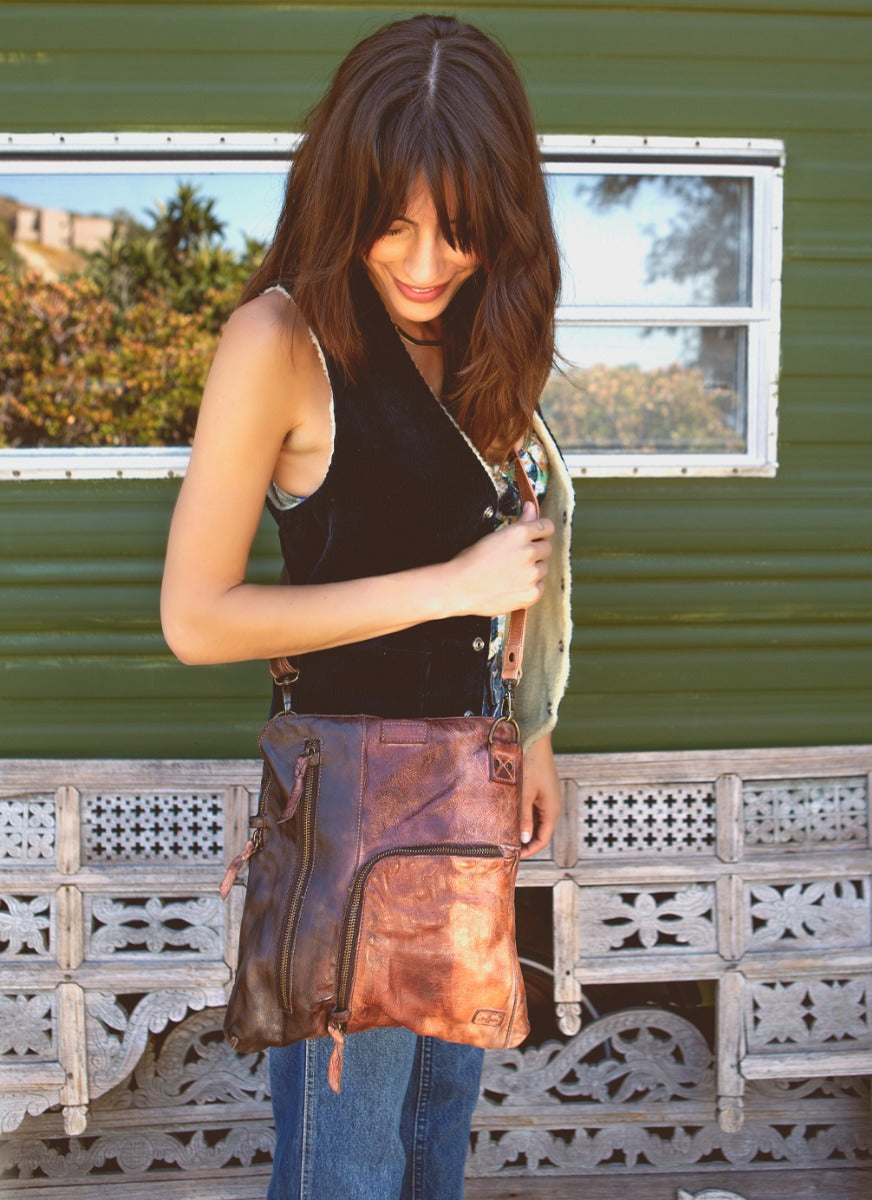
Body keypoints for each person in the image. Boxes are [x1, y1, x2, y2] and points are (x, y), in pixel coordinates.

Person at [160, 13, 573, 1200]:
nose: (428, 262)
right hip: (349, 819)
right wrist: (449, 589)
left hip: (469, 797)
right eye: (394, 222)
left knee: (433, 1145)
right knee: (342, 1172)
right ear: (343, 194)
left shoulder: (490, 338)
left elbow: (522, 554)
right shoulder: (281, 340)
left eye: (462, 230)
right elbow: (197, 617)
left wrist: (533, 728)